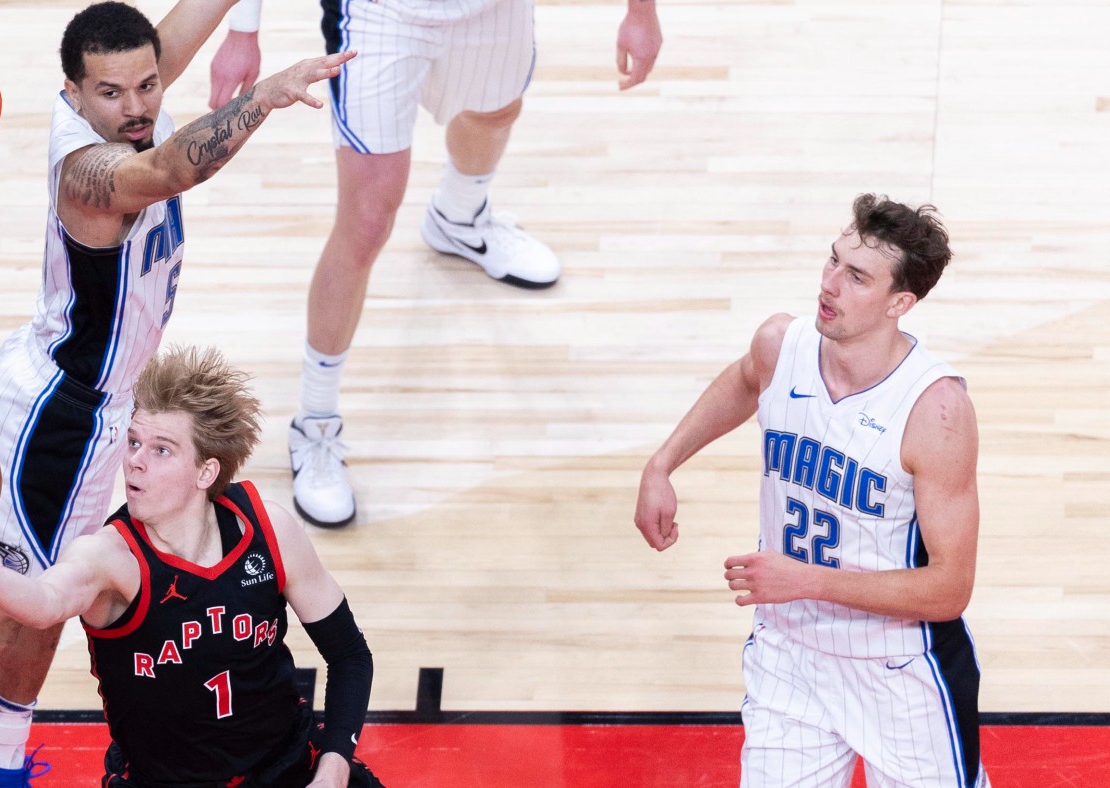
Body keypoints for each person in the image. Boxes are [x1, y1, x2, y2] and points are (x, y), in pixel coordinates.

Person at [0, 3, 355, 787]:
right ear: (74, 93)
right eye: (112, 92)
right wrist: (264, 97)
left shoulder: (125, 102)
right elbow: (170, 171)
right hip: (58, 418)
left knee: (60, 582)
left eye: (148, 85)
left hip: (103, 410)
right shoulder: (90, 176)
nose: (136, 106)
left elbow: (161, 52)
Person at [205, 0, 665, 527]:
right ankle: (315, 422)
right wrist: (243, 29)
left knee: (496, 113)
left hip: (494, 8)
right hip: (380, 13)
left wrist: (641, 11)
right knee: (366, 222)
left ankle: (459, 217)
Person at [0, 345, 381, 788]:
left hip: (288, 770)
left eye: (161, 450)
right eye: (134, 441)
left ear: (206, 471)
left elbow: (350, 655)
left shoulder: (267, 530)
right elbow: (42, 603)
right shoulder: (109, 557)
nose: (135, 461)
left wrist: (333, 768)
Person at [634, 194, 989, 787]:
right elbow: (745, 381)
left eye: (857, 277)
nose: (829, 284)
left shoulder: (936, 411)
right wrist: (662, 463)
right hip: (789, 655)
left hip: (900, 670)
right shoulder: (782, 345)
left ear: (900, 303)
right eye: (833, 260)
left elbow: (949, 590)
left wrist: (808, 581)